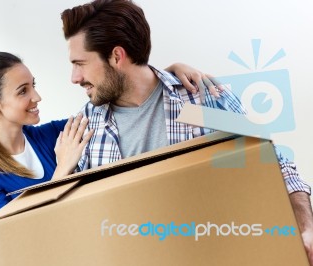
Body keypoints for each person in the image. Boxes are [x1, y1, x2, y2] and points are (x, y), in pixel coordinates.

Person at [60, 0, 313, 263]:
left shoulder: (204, 98)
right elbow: (81, 224)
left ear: (116, 56)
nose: (74, 77)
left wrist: (306, 227)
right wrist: (62, 175)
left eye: (80, 63)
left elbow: (276, 167)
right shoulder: (85, 127)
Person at [0, 51, 221, 266]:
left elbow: (112, 108)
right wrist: (62, 171)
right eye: (23, 91)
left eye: (33, 86)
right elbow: (11, 237)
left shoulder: (54, 137)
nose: (37, 97)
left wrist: (167, 73)